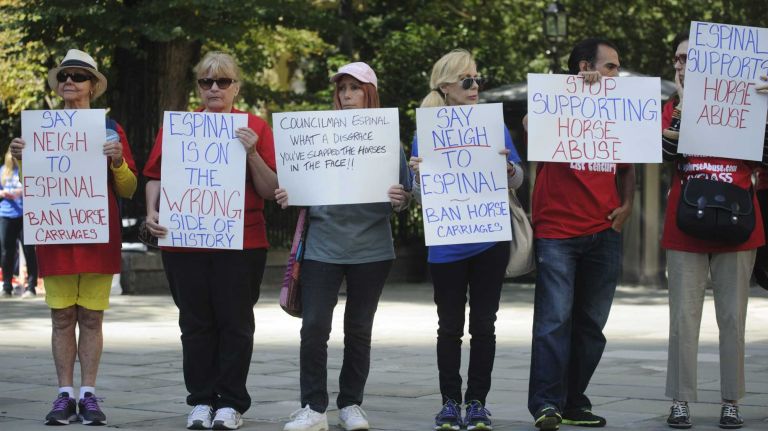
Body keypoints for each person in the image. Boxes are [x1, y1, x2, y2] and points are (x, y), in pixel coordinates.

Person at [143, 51, 277, 431]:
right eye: (206, 82)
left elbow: (270, 190)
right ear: (198, 87)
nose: (214, 88)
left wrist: (251, 152)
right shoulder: (179, 127)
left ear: (237, 86)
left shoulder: (254, 127)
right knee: (195, 323)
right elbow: (155, 175)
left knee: (236, 324)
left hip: (242, 243)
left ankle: (231, 403)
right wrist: (152, 211)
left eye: (223, 81)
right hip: (184, 242)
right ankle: (201, 400)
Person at [278, 61, 411, 431]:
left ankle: (351, 404)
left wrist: (401, 198)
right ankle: (313, 408)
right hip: (323, 246)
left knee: (358, 329)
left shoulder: (388, 140)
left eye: (354, 88)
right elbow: (297, 184)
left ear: (369, 92)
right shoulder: (317, 135)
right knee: (314, 327)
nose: (347, 95)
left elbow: (403, 198)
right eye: (342, 89)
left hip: (372, 249)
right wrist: (289, 192)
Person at [9, 48, 137, 426]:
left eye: (78, 76)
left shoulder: (111, 130)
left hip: (97, 236)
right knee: (62, 317)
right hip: (57, 236)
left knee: (92, 318)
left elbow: (129, 189)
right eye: (64, 76)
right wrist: (21, 160)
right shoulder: (40, 131)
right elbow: (36, 189)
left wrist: (117, 161)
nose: (69, 82)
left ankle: (89, 395)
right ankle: (64, 394)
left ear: (93, 86)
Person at [409, 49, 524, 431]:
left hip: (490, 238)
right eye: (467, 81)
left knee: (485, 325)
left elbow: (518, 178)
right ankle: (448, 402)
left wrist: (508, 167)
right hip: (448, 242)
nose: (476, 87)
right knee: (448, 327)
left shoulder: (492, 125)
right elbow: (422, 198)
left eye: (477, 80)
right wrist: (419, 178)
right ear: (445, 86)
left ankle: (476, 402)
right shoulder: (425, 132)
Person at [525, 38, 634, 430]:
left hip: (604, 229)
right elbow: (528, 125)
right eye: (610, 67)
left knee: (591, 325)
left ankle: (574, 401)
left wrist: (628, 205)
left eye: (617, 67)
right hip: (557, 230)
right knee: (554, 320)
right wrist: (567, 90)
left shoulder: (617, 110)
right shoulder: (557, 101)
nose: (616, 74)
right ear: (585, 67)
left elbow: (628, 162)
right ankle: (545, 404)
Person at [661, 32, 768, 429]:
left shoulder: (751, 104)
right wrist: (683, 110)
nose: (680, 65)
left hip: (739, 224)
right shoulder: (672, 107)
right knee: (683, 318)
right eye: (677, 58)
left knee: (733, 318)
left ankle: (731, 400)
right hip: (686, 225)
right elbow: (664, 154)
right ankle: (680, 400)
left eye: (689, 59)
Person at [0, 149, 38, 298]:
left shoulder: (26, 168)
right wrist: (3, 194)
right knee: (6, 252)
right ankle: (7, 286)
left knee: (29, 251)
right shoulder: (3, 171)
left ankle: (31, 286)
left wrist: (20, 192)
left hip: (25, 215)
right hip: (6, 215)